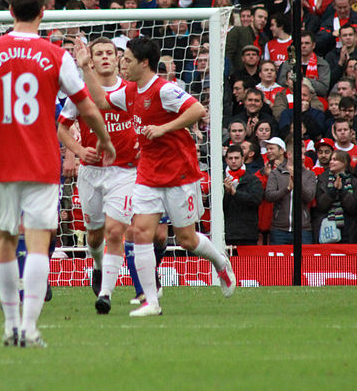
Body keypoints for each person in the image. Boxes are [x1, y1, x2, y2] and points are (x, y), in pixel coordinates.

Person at [0, 0, 115, 347]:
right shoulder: (57, 56)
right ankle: (30, 327)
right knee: (39, 241)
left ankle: (10, 327)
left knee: (5, 239)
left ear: (10, 11)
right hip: (40, 158)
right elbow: (87, 106)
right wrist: (103, 139)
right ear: (43, 12)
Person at [76, 35, 235, 317]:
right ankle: (152, 302)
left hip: (178, 172)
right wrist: (86, 67)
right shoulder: (130, 92)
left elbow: (198, 110)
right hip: (147, 173)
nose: (122, 65)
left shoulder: (164, 90)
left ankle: (220, 262)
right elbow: (99, 101)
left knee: (186, 239)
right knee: (140, 233)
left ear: (144, 63)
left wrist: (164, 128)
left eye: (126, 60)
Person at [57, 37, 164, 314]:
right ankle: (96, 265)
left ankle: (105, 293)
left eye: (110, 53)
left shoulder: (132, 89)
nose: (105, 57)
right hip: (92, 172)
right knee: (94, 236)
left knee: (116, 231)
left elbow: (151, 120)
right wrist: (79, 150)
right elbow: (61, 129)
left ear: (118, 58)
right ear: (90, 60)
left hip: (125, 171)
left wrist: (146, 144)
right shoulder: (79, 93)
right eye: (99, 53)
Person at [263, 137, 316, 245]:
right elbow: (269, 195)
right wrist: (287, 189)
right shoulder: (276, 173)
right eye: (299, 154)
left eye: (303, 154)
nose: (302, 157)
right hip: (279, 230)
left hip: (303, 230)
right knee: (279, 262)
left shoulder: (309, 175)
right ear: (289, 154)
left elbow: (309, 197)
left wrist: (297, 183)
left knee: (304, 261)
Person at [314, 150, 357, 243]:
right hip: (327, 228)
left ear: (344, 162)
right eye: (331, 159)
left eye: (335, 159)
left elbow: (354, 208)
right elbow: (321, 206)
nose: (331, 162)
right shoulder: (322, 179)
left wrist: (342, 191)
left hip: (348, 230)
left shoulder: (355, 182)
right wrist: (332, 191)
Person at [223, 145, 263, 246]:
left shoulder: (253, 179)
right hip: (226, 234)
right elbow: (216, 207)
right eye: (230, 158)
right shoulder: (219, 180)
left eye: (236, 158)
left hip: (247, 234)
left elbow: (256, 199)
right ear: (226, 160)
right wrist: (228, 193)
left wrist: (235, 193)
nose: (233, 161)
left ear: (243, 158)